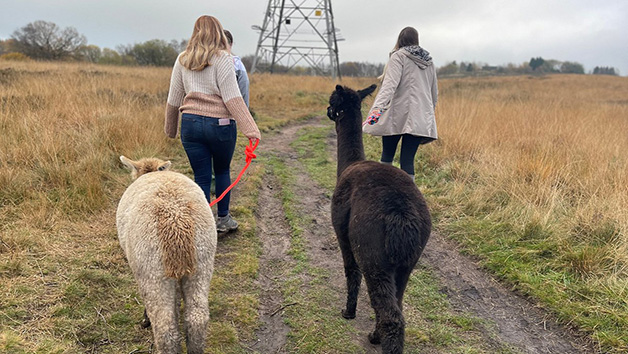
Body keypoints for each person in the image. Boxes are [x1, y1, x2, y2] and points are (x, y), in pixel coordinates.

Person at [165, 15, 261, 233]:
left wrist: (170, 129)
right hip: (221, 125)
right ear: (218, 32)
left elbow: (173, 98)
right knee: (222, 170)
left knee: (201, 175)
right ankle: (223, 219)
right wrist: (251, 129)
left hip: (189, 124)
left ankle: (202, 223)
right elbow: (232, 98)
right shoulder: (224, 59)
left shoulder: (183, 59)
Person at [363, 27, 438, 181]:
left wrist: (377, 110)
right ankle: (410, 199)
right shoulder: (429, 62)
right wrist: (429, 114)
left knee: (387, 157)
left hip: (397, 115)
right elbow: (433, 93)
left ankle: (383, 191)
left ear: (400, 40)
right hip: (419, 117)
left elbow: (389, 86)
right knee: (407, 162)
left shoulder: (398, 57)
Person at [223, 30, 250, 108]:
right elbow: (243, 90)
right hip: (229, 114)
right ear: (230, 44)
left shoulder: (201, 61)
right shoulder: (237, 64)